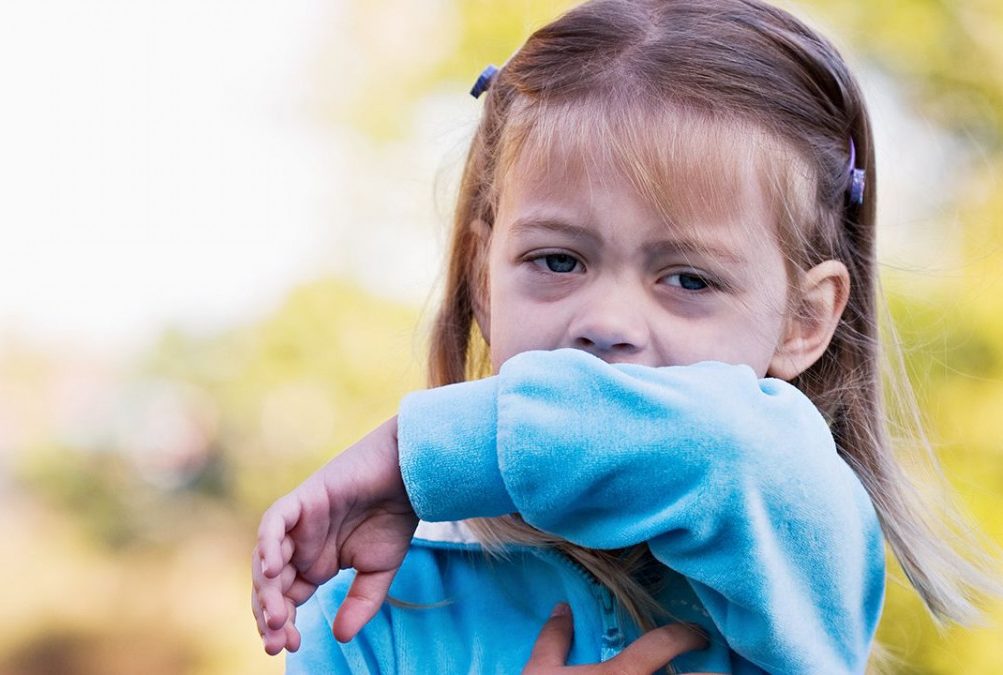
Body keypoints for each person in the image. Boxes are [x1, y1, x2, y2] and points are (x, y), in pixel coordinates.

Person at [252, 0, 996, 672]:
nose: (605, 322)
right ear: (484, 277)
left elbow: (729, 442)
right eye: (558, 260)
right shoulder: (379, 594)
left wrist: (413, 453)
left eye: (688, 279)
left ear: (804, 321)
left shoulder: (792, 521)